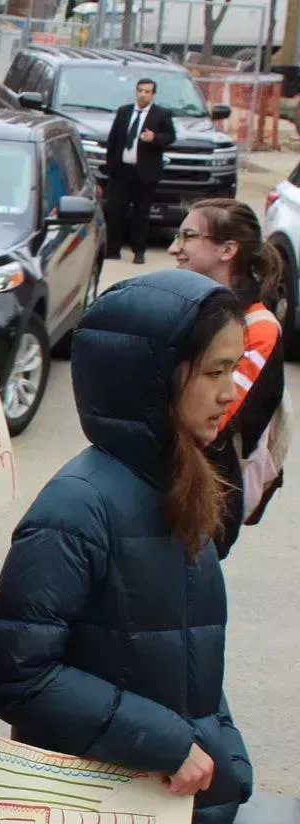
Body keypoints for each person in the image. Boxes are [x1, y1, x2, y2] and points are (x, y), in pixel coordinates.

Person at [0, 269, 254, 824]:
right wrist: (168, 740)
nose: (232, 392)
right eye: (217, 371)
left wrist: (219, 746)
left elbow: (180, 652)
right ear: (154, 377)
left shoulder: (175, 482)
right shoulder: (77, 508)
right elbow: (18, 673)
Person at [166, 197, 287, 555]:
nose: (175, 248)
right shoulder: (196, 307)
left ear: (227, 249)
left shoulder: (259, 330)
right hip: (169, 486)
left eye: (188, 236)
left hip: (200, 504)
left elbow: (212, 421)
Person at [104, 78, 176, 265]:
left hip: (144, 173)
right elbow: (113, 140)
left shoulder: (161, 115)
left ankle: (139, 250)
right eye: (141, 90)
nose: (143, 94)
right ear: (136, 91)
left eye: (147, 91)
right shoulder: (124, 112)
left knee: (141, 213)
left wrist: (155, 138)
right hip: (121, 171)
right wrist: (111, 165)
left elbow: (170, 137)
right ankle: (113, 249)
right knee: (115, 211)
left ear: (153, 94)